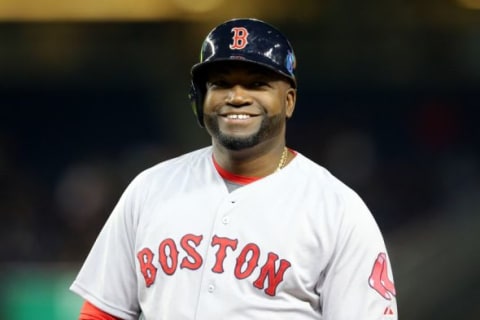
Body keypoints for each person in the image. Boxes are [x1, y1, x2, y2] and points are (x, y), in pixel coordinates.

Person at [70, 18, 398, 319]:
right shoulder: (149, 190)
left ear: (289, 101)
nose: (237, 96)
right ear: (201, 99)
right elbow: (102, 313)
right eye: (222, 84)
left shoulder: (338, 211)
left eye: (257, 84)